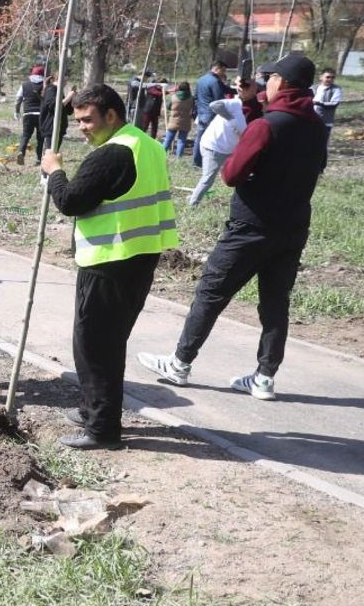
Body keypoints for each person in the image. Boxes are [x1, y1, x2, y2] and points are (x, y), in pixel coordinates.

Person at [137, 54, 328, 402]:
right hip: (294, 227)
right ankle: (264, 378)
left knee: (211, 292)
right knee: (274, 304)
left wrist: (253, 134)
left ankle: (180, 364)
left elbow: (231, 174)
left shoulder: (266, 126)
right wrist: (250, 104)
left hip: (251, 226)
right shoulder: (316, 126)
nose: (264, 82)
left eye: (268, 77)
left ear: (281, 83)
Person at [39, 83, 178, 449]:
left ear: (112, 115)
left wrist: (54, 171)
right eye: (78, 121)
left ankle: (101, 428)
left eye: (88, 120)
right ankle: (91, 409)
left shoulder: (112, 154)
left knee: (95, 346)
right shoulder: (147, 144)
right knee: (106, 342)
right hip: (140, 256)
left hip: (109, 261)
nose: (82, 127)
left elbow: (69, 201)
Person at [187, 76, 253, 207]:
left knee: (242, 174)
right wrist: (230, 119)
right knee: (208, 179)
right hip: (214, 147)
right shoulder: (235, 104)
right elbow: (214, 105)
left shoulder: (253, 113)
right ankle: (192, 204)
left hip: (229, 149)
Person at [193, 61, 230, 168]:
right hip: (212, 114)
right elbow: (219, 99)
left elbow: (195, 96)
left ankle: (196, 161)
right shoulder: (215, 81)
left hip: (202, 113)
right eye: (223, 70)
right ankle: (207, 162)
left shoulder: (201, 79)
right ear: (217, 69)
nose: (224, 73)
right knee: (212, 139)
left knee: (199, 138)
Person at [14, 69, 45, 165]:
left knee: (26, 135)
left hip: (28, 114)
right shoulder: (45, 85)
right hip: (41, 114)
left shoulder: (25, 85)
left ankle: (21, 153)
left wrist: (17, 111)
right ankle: (39, 159)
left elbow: (18, 99)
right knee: (40, 138)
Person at [162, 83, 194, 157]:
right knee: (181, 141)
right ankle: (178, 158)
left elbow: (168, 107)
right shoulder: (191, 98)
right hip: (185, 122)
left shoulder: (173, 97)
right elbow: (193, 108)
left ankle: (161, 155)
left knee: (168, 140)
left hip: (173, 121)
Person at [311, 69, 343, 144]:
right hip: (310, 121)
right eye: (328, 77)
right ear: (321, 77)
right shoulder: (313, 88)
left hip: (325, 123)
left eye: (332, 78)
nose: (330, 79)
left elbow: (333, 104)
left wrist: (318, 103)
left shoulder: (336, 90)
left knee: (322, 145)